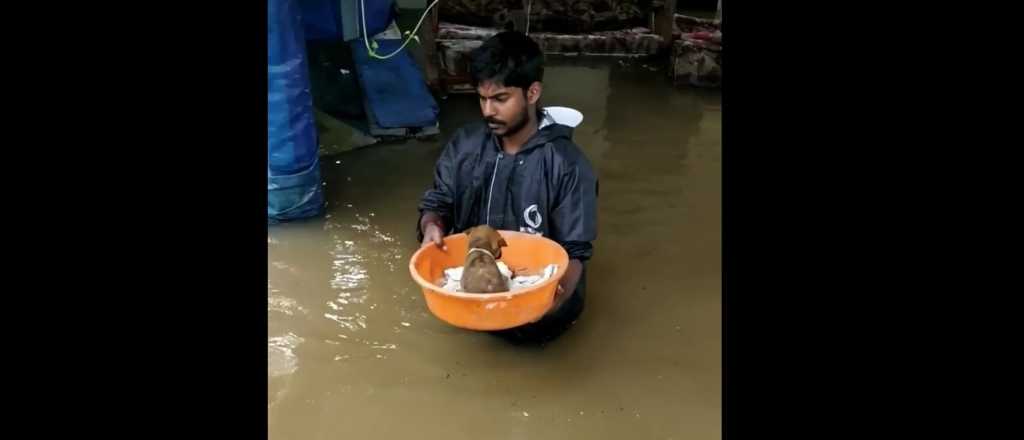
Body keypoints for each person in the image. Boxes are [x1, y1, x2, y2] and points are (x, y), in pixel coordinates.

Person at [416, 31, 598, 344]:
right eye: (482, 98)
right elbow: (438, 203)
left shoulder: (566, 164)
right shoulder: (465, 146)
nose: (488, 111)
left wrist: (543, 307)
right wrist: (432, 225)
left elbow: (575, 253)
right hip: (467, 286)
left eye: (500, 99)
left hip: (536, 298)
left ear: (532, 93)